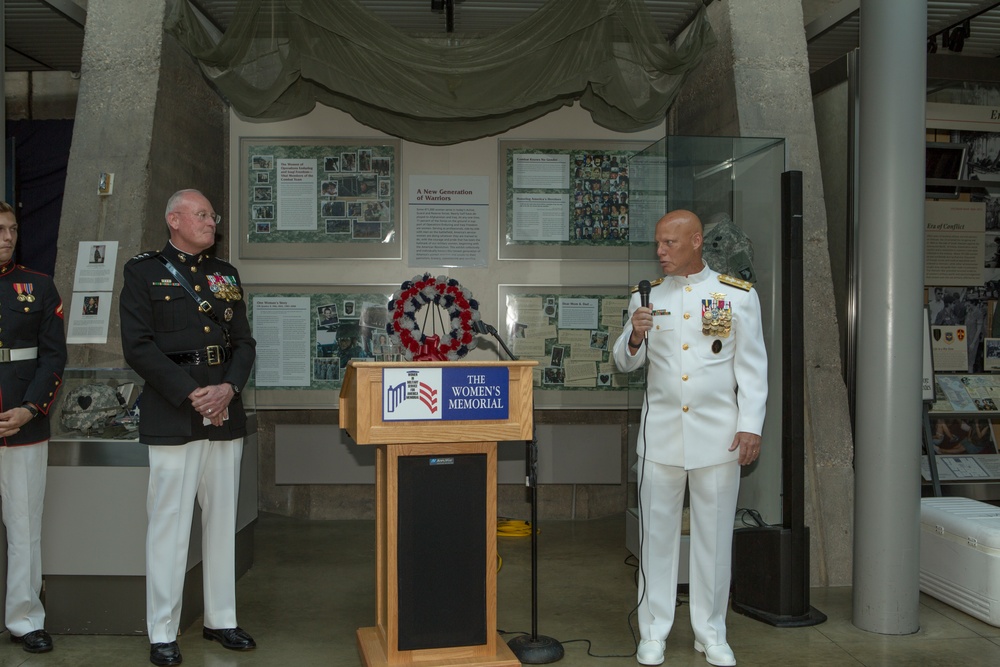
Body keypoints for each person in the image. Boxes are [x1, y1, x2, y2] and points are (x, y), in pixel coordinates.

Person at [612, 209, 767, 667]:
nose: (660, 252)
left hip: (718, 437)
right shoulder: (646, 296)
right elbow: (625, 363)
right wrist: (635, 338)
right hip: (661, 437)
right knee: (655, 538)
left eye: (670, 244)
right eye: (658, 243)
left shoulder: (735, 296)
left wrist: (751, 425)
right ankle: (653, 631)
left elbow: (752, 368)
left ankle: (710, 632)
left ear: (697, 241)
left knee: (714, 541)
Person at [119, 189, 257, 666]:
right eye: (201, 215)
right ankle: (162, 630)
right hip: (175, 411)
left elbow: (244, 343)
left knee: (223, 520)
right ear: (173, 219)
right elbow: (137, 346)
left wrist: (228, 390)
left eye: (212, 216)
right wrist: (193, 393)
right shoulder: (143, 271)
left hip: (224, 410)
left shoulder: (226, 275)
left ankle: (222, 618)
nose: (210, 222)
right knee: (170, 525)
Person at [0, 201, 66, 654]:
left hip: (22, 422)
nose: (7, 236)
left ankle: (25, 619)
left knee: (24, 525)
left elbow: (53, 358)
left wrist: (30, 408)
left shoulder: (38, 286)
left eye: (12, 228)